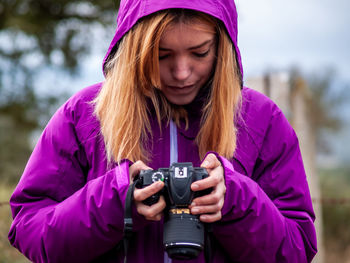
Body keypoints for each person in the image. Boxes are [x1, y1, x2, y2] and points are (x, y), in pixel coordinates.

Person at [8, 0, 317, 262]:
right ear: (133, 50)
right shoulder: (85, 115)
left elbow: (297, 249)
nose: (181, 73)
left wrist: (234, 199)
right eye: (161, 54)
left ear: (222, 47)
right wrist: (117, 203)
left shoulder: (261, 119)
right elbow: (29, 230)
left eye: (199, 53)